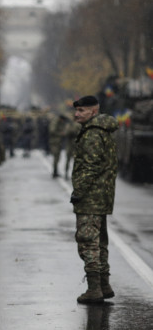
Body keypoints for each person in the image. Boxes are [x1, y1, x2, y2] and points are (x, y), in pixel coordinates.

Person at [70, 95, 118, 304]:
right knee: (100, 242)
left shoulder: (91, 134)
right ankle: (104, 285)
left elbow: (90, 166)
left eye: (81, 111)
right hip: (102, 195)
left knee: (87, 242)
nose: (76, 114)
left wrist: (78, 191)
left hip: (91, 196)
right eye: (77, 110)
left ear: (94, 111)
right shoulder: (103, 130)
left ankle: (94, 289)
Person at [48, 113, 70, 178]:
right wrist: (60, 134)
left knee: (58, 157)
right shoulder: (55, 122)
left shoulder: (59, 122)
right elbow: (52, 130)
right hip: (55, 142)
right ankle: (54, 171)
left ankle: (55, 171)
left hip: (58, 142)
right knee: (56, 157)